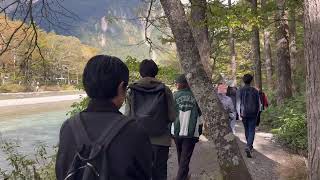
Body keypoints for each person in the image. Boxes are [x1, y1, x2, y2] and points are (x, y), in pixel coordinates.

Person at [55, 55, 152, 180]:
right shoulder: (134, 130)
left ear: (86, 85)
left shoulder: (68, 127)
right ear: (121, 87)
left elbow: (61, 171)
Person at [125, 59, 175, 180]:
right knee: (160, 173)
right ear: (155, 72)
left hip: (138, 140)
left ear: (140, 72)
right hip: (161, 140)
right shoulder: (165, 89)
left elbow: (127, 117)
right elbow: (172, 116)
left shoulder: (131, 90)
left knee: (140, 174)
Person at [171, 74, 202, 180]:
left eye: (177, 82)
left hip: (176, 131)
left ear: (181, 84)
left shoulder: (174, 96)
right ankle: (181, 177)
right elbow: (200, 113)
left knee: (181, 156)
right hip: (191, 132)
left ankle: (183, 176)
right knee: (185, 158)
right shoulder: (196, 96)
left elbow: (169, 113)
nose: (176, 84)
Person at [236, 74, 260, 158]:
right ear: (251, 80)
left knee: (246, 129)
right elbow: (259, 104)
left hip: (244, 113)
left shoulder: (240, 90)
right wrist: (257, 113)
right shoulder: (255, 91)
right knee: (251, 130)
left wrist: (239, 114)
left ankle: (248, 145)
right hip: (253, 113)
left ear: (243, 80)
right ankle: (249, 146)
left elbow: (238, 103)